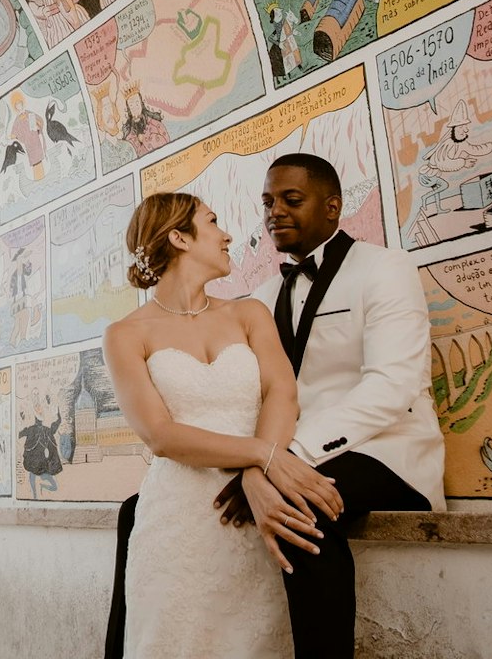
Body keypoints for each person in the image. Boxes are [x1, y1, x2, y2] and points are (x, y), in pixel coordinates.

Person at [106, 156, 444, 658]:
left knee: (299, 510)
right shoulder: (261, 296)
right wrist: (266, 458)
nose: (273, 213)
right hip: (280, 448)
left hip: (383, 448)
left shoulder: (384, 269)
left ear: (333, 208)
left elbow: (390, 390)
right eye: (267, 201)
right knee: (139, 511)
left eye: (291, 199)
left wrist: (277, 462)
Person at [101, 191, 341, 657]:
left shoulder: (248, 312)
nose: (228, 234)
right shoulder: (125, 335)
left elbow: (282, 392)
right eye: (212, 222)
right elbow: (161, 435)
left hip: (255, 511)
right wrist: (264, 455)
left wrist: (257, 476)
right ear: (179, 237)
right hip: (176, 522)